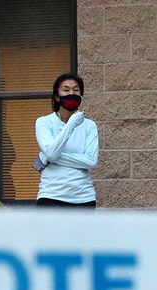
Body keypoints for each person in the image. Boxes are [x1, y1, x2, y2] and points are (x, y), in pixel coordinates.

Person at [33, 73, 99, 207]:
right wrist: (72, 123)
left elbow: (91, 161)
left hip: (83, 197)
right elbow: (51, 153)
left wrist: (47, 157)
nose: (71, 93)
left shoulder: (89, 125)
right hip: (51, 195)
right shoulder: (44, 122)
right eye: (66, 90)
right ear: (57, 97)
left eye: (75, 90)